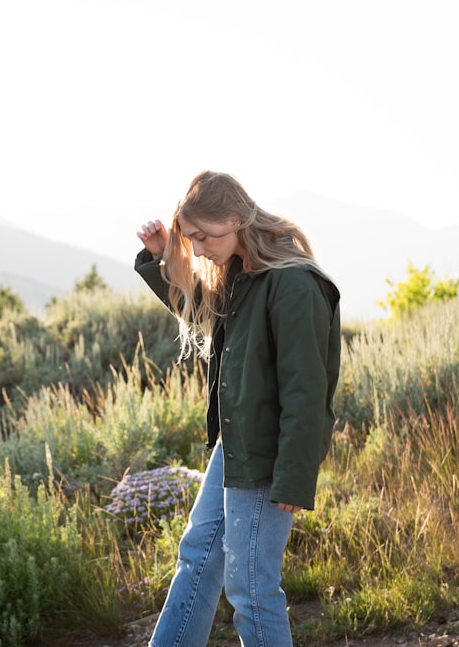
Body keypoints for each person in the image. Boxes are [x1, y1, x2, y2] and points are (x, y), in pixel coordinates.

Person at [135, 171, 341, 647]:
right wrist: (163, 255)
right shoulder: (243, 273)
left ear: (234, 219)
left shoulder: (294, 284)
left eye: (203, 237)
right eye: (193, 239)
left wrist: (294, 474)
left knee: (251, 587)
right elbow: (199, 309)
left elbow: (307, 392)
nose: (200, 249)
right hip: (236, 444)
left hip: (268, 456)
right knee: (197, 558)